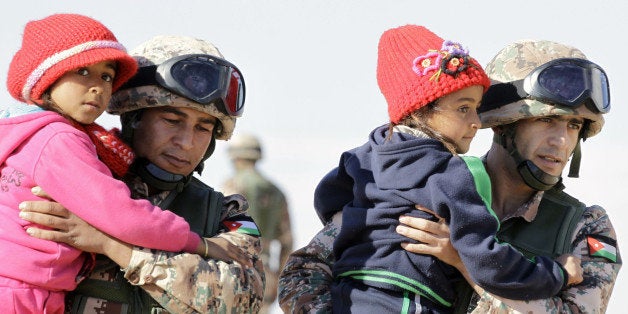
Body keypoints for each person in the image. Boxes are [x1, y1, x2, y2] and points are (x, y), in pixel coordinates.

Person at [278, 39, 621, 313]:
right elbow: (302, 273)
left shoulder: (584, 227)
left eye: (574, 126)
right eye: (547, 121)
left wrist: (464, 262)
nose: (562, 141)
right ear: (503, 122)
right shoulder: (422, 181)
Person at [16, 35, 265, 313]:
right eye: (171, 121)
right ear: (133, 118)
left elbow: (243, 298)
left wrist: (111, 245)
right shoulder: (69, 181)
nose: (186, 141)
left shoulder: (224, 215)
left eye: (203, 128)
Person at [222, 133, 293, 314]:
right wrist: (278, 279)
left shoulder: (232, 186)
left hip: (234, 270)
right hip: (265, 274)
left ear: (235, 157)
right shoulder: (277, 192)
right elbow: (287, 242)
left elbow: (220, 229)